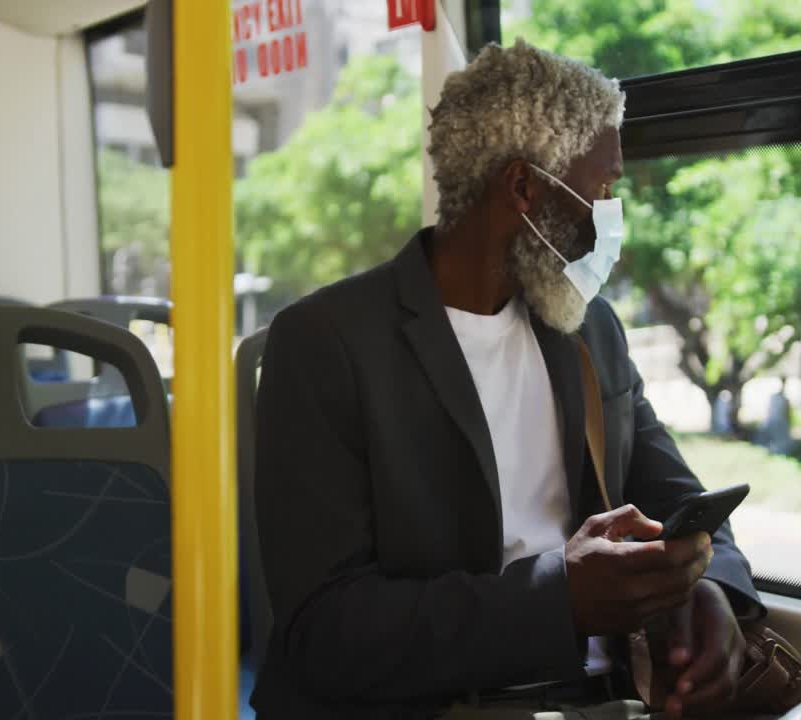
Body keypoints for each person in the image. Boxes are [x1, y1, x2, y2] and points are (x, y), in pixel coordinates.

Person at [250, 39, 763, 720]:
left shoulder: (587, 331)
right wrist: (558, 600)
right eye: (602, 187)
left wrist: (712, 592)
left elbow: (685, 506)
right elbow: (326, 628)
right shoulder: (325, 344)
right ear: (525, 188)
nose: (611, 215)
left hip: (600, 702)